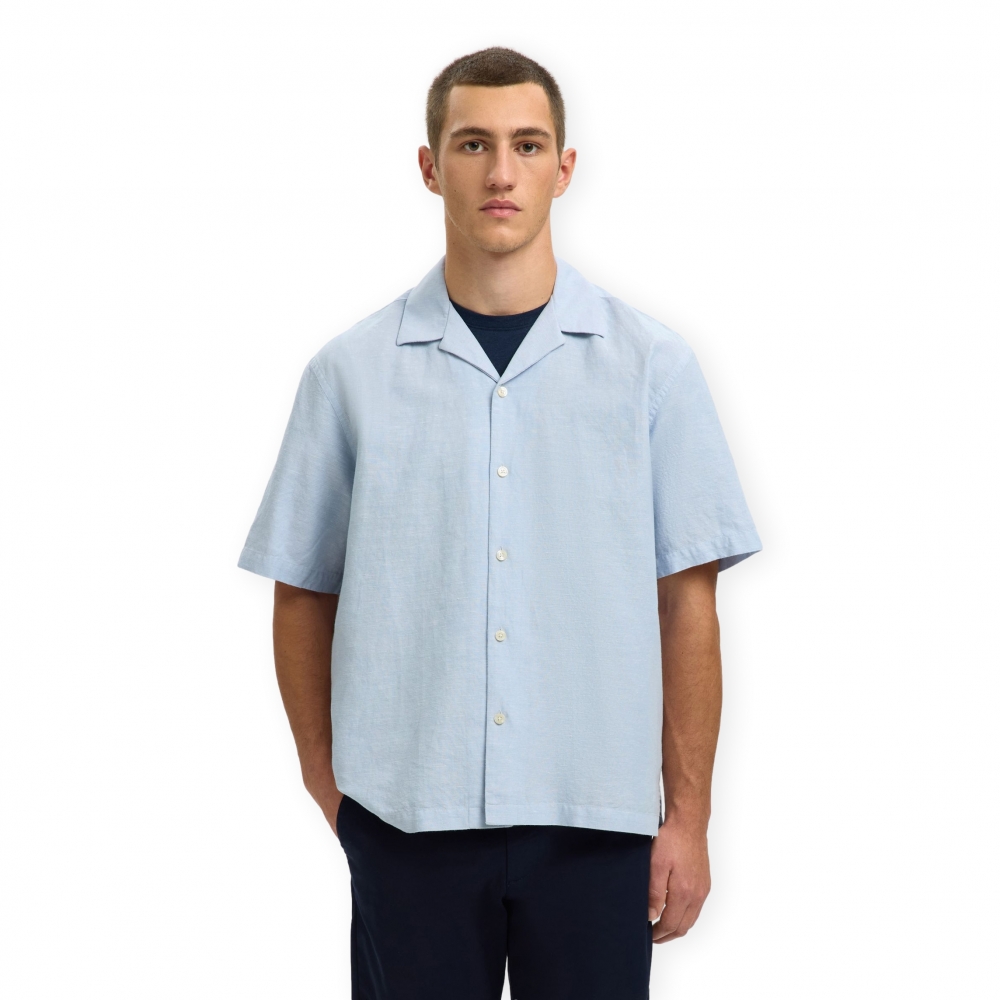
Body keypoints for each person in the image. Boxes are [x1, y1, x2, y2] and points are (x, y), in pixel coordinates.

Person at [238, 46, 760, 1000]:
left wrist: (688, 818)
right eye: (473, 144)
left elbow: (687, 603)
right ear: (430, 166)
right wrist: (330, 786)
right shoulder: (351, 373)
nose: (501, 172)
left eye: (527, 144)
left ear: (565, 167)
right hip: (406, 817)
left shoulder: (651, 368)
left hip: (596, 821)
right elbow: (303, 588)